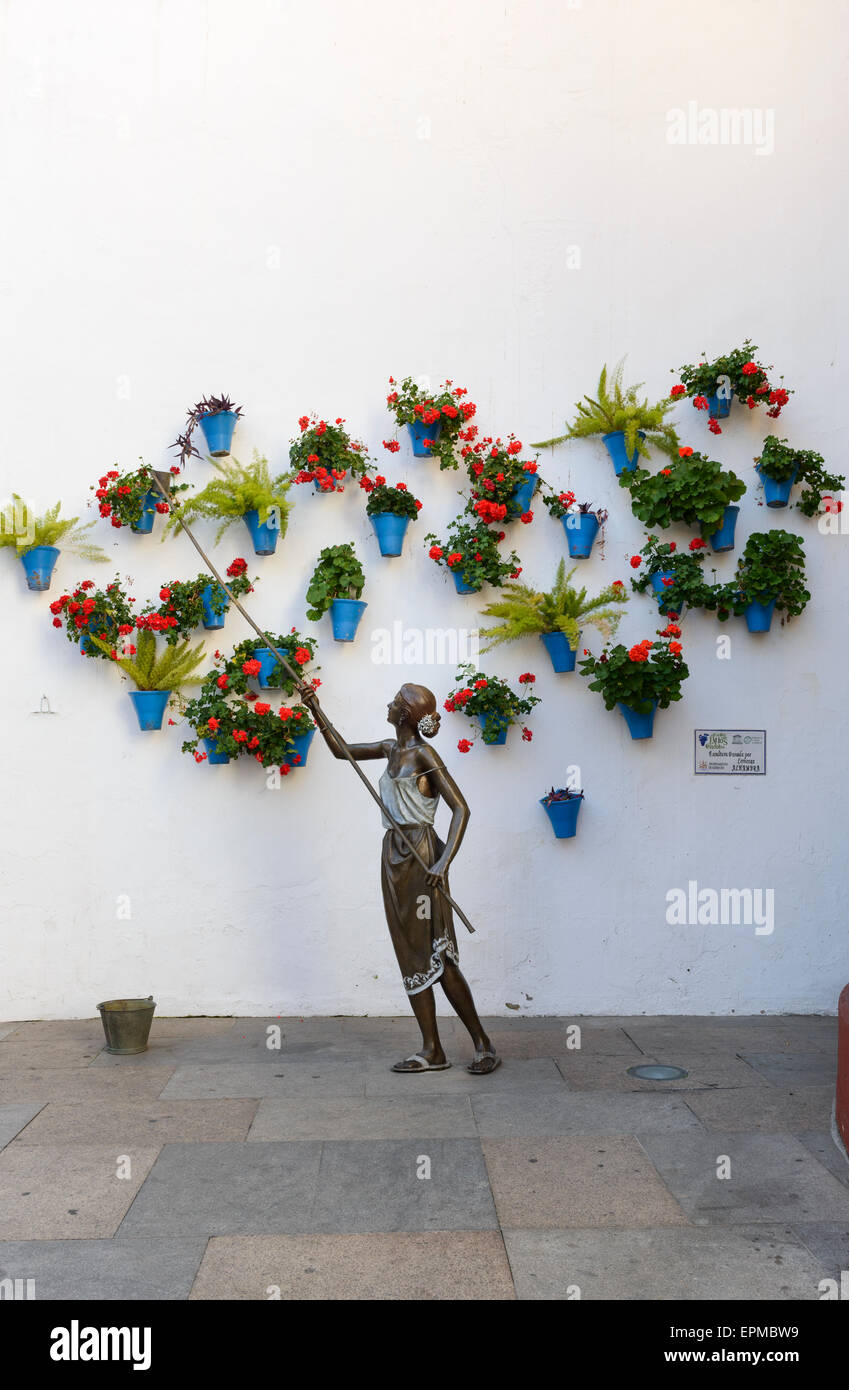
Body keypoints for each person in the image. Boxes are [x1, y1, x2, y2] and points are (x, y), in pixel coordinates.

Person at [302, 681, 499, 1074]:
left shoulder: (425, 754)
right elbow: (343, 752)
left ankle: (482, 1042)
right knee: (410, 953)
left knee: (438, 954)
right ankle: (432, 1049)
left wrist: (445, 863)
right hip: (393, 856)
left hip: (422, 856)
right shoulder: (389, 749)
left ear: (406, 714)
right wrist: (316, 711)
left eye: (395, 702)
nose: (389, 705)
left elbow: (461, 809)